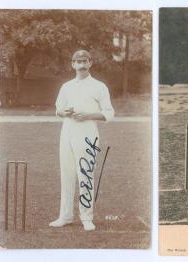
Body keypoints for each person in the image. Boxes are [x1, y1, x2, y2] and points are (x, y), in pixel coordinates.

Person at [50, 50, 115, 230]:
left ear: (90, 63)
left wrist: (88, 115)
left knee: (85, 175)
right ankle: (65, 216)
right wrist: (64, 112)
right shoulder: (66, 86)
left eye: (84, 61)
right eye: (78, 61)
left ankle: (87, 217)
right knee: (67, 174)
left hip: (88, 133)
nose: (81, 64)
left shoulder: (99, 86)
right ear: (73, 64)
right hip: (67, 131)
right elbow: (58, 110)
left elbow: (109, 113)